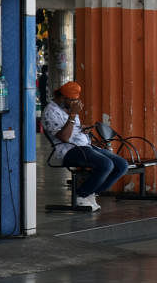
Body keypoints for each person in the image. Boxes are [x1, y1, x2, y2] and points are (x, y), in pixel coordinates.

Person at [41, 81, 129, 212]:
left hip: (84, 145)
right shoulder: (50, 112)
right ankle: (81, 195)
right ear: (62, 97)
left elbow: (72, 128)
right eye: (72, 100)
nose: (75, 103)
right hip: (68, 150)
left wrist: (82, 128)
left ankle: (90, 192)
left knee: (122, 165)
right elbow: (64, 137)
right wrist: (72, 115)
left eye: (76, 100)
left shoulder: (68, 107)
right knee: (106, 165)